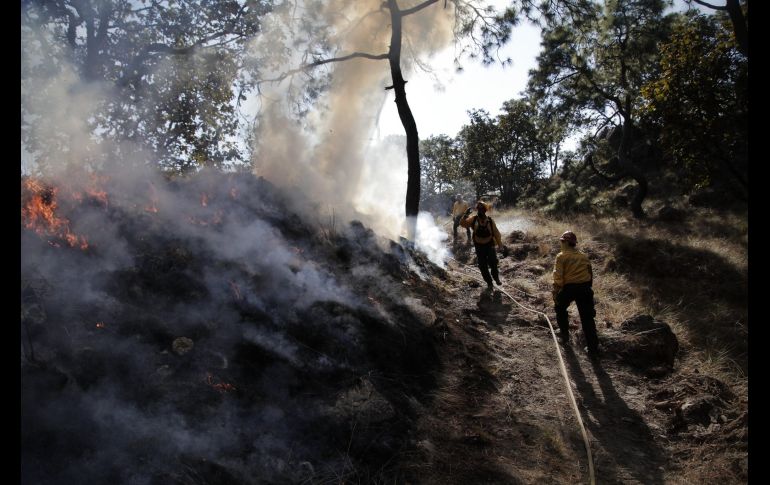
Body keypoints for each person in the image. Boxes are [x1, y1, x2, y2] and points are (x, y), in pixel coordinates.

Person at [552, 231, 599, 357]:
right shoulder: (583, 256)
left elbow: (558, 277)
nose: (561, 243)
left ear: (566, 242)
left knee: (560, 308)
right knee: (588, 318)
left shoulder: (561, 256)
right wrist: (588, 289)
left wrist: (556, 291)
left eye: (562, 241)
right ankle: (593, 350)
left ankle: (564, 336)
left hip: (569, 288)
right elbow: (590, 274)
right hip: (585, 288)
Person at [461, 201, 503, 290]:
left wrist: (500, 245)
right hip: (479, 246)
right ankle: (489, 283)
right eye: (478, 209)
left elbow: (496, 233)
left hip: (490, 244)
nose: (480, 210)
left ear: (485, 210)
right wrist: (465, 215)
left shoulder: (490, 221)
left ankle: (496, 278)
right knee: (482, 265)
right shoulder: (473, 219)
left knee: (493, 263)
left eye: (482, 209)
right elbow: (463, 224)